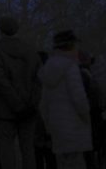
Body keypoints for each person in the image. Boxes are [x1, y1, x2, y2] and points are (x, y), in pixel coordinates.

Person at [0, 15, 42, 169]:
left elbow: (0, 82)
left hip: (4, 110)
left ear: (1, 30)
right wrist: (31, 103)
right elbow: (38, 81)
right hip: (28, 108)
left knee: (6, 150)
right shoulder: (31, 52)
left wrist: (16, 103)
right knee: (28, 150)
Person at [39, 30, 91, 169]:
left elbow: (44, 102)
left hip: (56, 125)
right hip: (73, 124)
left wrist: (48, 124)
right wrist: (86, 117)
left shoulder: (48, 67)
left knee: (62, 163)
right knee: (76, 163)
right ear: (72, 45)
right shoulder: (70, 67)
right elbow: (79, 98)